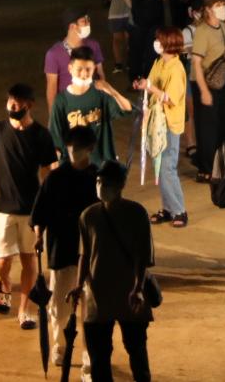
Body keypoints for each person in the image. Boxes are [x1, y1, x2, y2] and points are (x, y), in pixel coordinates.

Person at [0, 83, 57, 326]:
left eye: (18, 101)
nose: (12, 105)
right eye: (10, 100)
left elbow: (48, 170)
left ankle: (24, 309)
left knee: (29, 260)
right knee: (2, 260)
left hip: (30, 209)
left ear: (29, 105)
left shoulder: (42, 135)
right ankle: (4, 283)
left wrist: (49, 202)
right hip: (2, 205)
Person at [31, 126, 99, 381]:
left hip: (92, 254)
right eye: (70, 149)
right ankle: (59, 348)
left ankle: (89, 363)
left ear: (89, 150)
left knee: (90, 312)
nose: (72, 153)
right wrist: (38, 235)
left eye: (77, 149)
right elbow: (40, 213)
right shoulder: (55, 178)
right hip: (61, 251)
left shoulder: (97, 178)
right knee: (59, 307)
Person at [77, 160, 155, 382]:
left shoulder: (137, 213)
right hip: (97, 296)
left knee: (137, 353)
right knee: (99, 359)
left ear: (120, 185)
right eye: (99, 181)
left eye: (106, 183)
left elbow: (143, 256)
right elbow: (84, 254)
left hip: (130, 295)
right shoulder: (88, 216)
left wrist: (138, 287)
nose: (101, 187)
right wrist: (78, 285)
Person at [49, 47, 133, 167]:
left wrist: (110, 90)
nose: (84, 74)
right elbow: (55, 140)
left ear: (94, 69)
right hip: (73, 167)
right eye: (79, 69)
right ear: (70, 68)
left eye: (88, 69)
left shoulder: (101, 94)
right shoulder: (61, 101)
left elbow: (127, 109)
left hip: (102, 165)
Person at [142, 27, 190, 226]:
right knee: (159, 166)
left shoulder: (177, 69)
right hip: (157, 120)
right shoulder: (160, 62)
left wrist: (150, 87)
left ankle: (179, 210)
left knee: (167, 167)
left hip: (170, 123)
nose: (156, 42)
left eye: (159, 40)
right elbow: (152, 83)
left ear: (168, 44)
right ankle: (169, 208)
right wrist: (145, 85)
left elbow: (170, 99)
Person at [187, 0, 225, 181]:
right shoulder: (203, 31)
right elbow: (196, 63)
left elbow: (224, 56)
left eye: (223, 3)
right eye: (217, 4)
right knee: (207, 128)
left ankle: (217, 162)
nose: (222, 7)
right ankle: (205, 169)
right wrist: (204, 91)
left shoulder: (223, 27)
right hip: (204, 83)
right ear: (208, 9)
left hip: (220, 82)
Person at [47, 9, 107, 103]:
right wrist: (53, 115)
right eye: (84, 21)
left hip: (91, 102)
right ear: (72, 26)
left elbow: (101, 75)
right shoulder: (54, 54)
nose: (88, 24)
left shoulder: (94, 45)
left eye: (88, 20)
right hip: (68, 105)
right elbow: (52, 88)